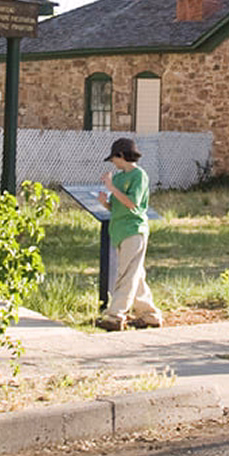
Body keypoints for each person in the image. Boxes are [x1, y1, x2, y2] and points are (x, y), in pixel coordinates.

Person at [95, 137, 163, 332]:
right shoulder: (117, 178)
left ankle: (115, 315)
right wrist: (104, 202)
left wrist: (111, 188)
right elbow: (116, 206)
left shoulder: (138, 176)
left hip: (134, 231)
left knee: (125, 274)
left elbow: (133, 204)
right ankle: (149, 315)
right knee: (136, 275)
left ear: (122, 156)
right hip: (119, 231)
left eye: (114, 158)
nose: (113, 163)